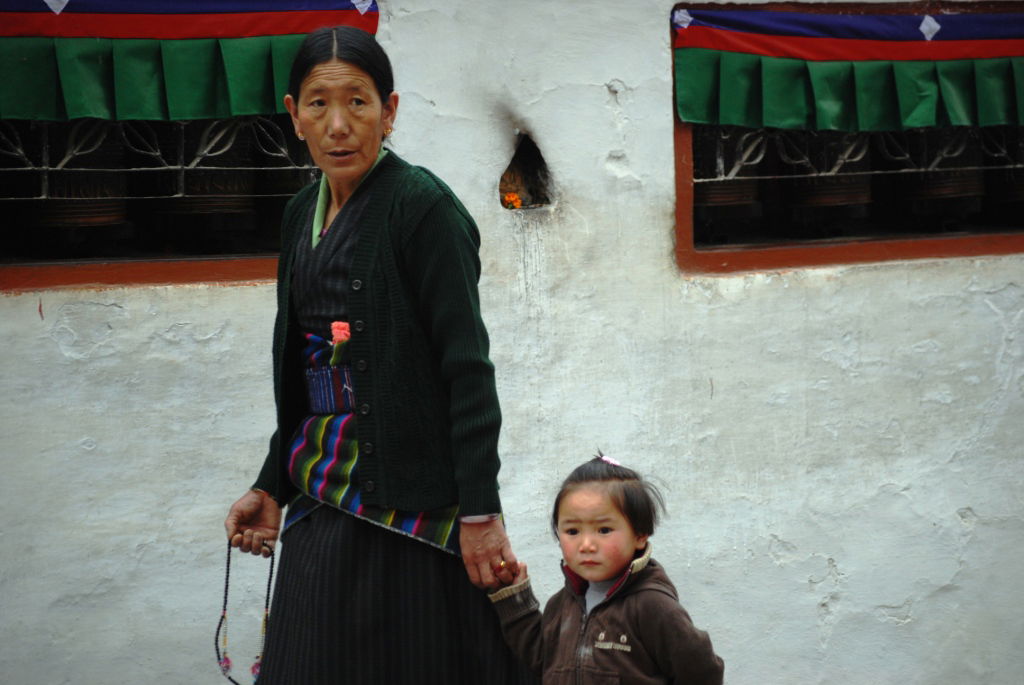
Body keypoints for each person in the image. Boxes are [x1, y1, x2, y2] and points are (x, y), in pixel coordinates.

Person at [223, 25, 533, 684]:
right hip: (319, 497)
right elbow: (310, 373)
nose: (339, 125)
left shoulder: (422, 210)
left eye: (359, 103)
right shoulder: (298, 214)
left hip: (411, 513)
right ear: (293, 114)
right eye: (318, 104)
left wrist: (481, 511)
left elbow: (466, 367)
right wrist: (270, 482)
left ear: (389, 112)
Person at [489, 455, 725, 685]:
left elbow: (702, 673)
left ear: (640, 535)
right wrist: (515, 598)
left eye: (603, 530)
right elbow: (542, 660)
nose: (586, 545)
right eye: (572, 531)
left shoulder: (653, 607)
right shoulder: (561, 605)